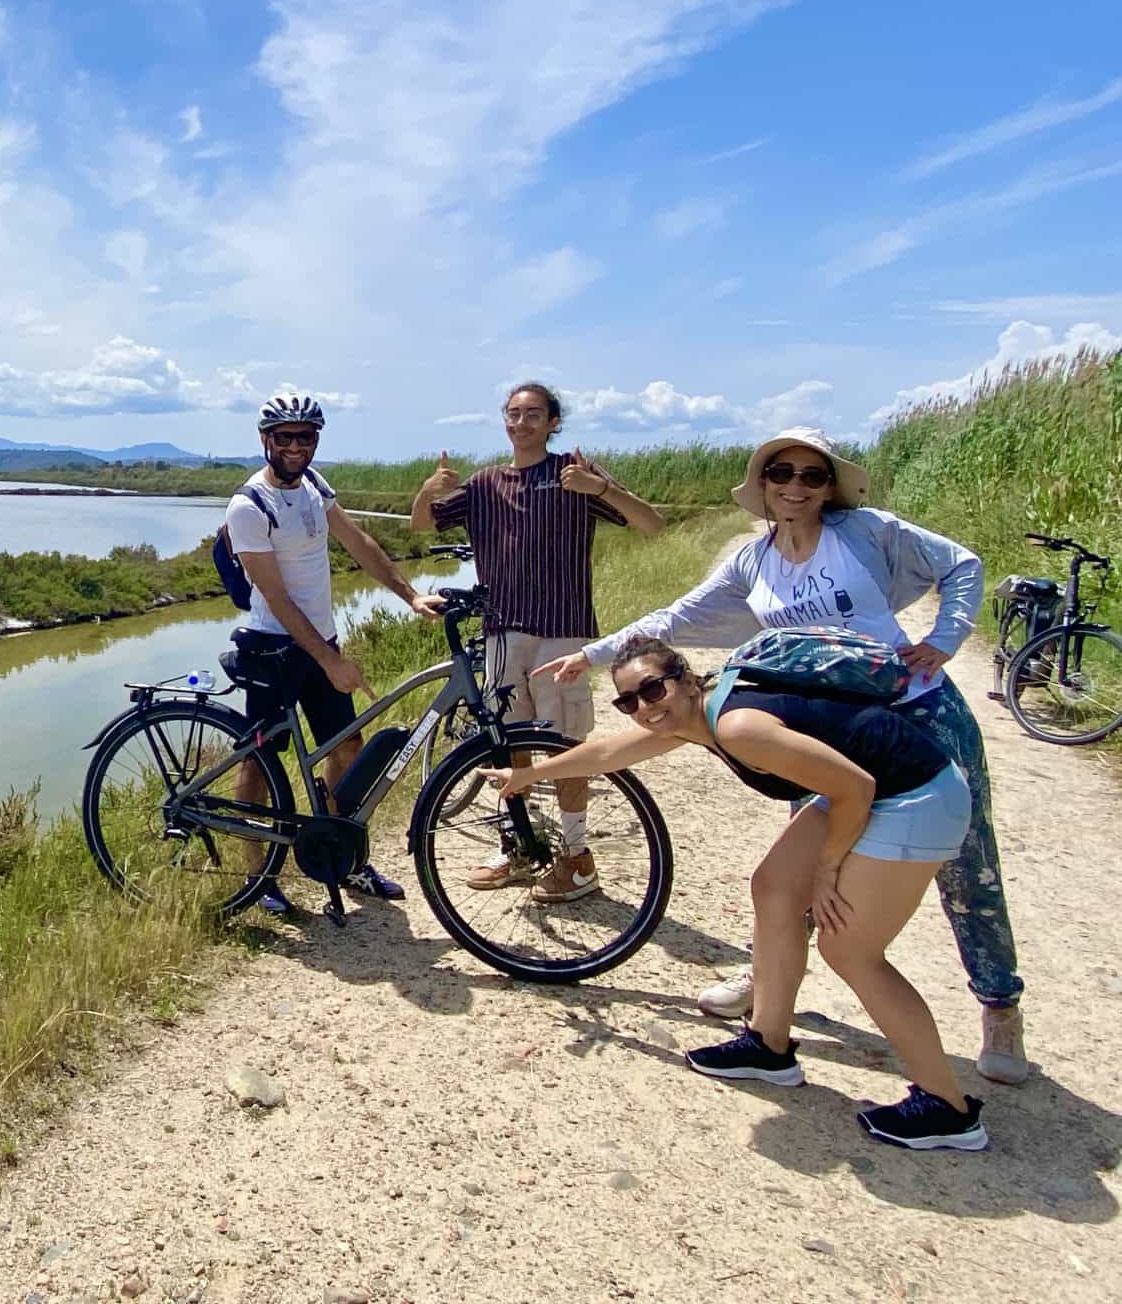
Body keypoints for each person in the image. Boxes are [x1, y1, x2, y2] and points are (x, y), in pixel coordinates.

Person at [536, 428, 1027, 1084]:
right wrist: (595, 655)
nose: (796, 487)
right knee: (787, 875)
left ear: (829, 486)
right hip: (818, 728)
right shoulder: (752, 561)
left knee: (968, 865)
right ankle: (770, 993)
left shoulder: (864, 532)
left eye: (811, 476)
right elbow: (675, 618)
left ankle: (999, 1004)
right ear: (762, 486)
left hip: (916, 711)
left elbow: (961, 564)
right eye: (781, 475)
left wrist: (943, 638)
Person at [487, 635, 988, 1150]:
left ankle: (948, 1107)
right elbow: (610, 751)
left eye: (652, 690)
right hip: (873, 787)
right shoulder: (695, 717)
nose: (644, 708)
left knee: (850, 949)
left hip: (914, 795)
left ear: (683, 680)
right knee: (773, 890)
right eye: (628, 701)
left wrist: (829, 870)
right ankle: (768, 1046)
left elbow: (853, 789)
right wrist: (526, 774)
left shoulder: (737, 725)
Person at [409, 381, 663, 901]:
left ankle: (576, 858)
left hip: (560, 632)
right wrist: (427, 491)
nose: (521, 423)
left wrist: (602, 491)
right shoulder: (484, 483)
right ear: (503, 420)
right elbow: (418, 525)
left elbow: (652, 525)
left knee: (567, 745)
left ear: (552, 423)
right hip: (503, 631)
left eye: (533, 415)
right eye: (513, 413)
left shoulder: (574, 472)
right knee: (510, 744)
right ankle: (518, 846)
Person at [227, 393, 446, 914]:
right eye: (285, 437)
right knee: (260, 764)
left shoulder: (314, 487)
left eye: (306, 437)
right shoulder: (248, 506)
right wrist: (330, 661)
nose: (296, 447)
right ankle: (258, 875)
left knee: (347, 751)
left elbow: (357, 540)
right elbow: (276, 600)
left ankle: (341, 858)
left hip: (319, 643)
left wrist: (410, 594)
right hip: (272, 648)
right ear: (265, 441)